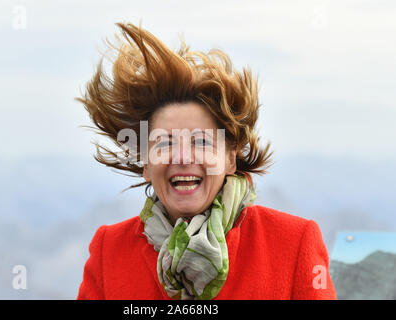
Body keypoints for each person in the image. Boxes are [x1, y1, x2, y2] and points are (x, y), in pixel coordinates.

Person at [76, 22, 336, 300]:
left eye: (201, 142)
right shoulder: (110, 251)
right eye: (165, 142)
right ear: (146, 166)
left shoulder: (293, 243)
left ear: (230, 159)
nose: (184, 157)